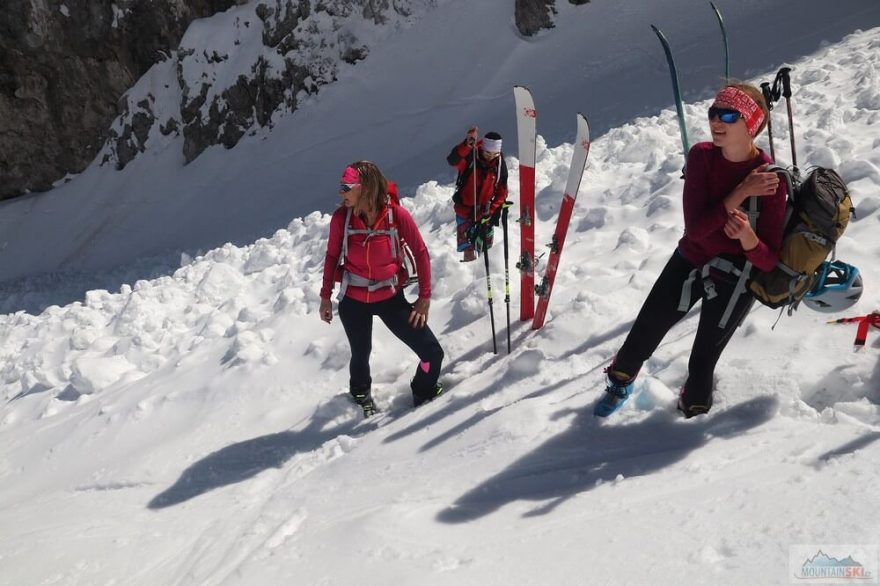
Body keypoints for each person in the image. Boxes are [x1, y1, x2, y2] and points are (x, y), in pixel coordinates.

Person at [595, 82, 787, 418]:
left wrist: (747, 240)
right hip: (691, 258)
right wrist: (740, 192)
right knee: (641, 337)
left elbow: (770, 259)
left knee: (702, 366)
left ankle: (689, 436)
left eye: (729, 114)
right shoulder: (701, 157)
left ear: (752, 125)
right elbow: (696, 230)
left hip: (737, 275)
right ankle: (619, 383)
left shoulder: (772, 179)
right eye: (714, 112)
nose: (717, 121)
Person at [319, 161, 445, 417]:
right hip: (353, 300)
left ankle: (423, 390)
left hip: (390, 298)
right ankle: (359, 395)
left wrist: (424, 297)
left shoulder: (396, 215)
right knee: (360, 354)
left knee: (432, 352)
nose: (341, 193)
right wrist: (325, 297)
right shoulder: (342, 219)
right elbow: (332, 256)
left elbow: (421, 253)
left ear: (363, 188)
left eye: (346, 187)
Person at [447, 128, 509, 262]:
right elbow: (453, 160)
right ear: (483, 148)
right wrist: (466, 145)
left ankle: (485, 273)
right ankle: (468, 273)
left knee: (487, 250)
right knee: (468, 249)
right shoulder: (471, 158)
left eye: (494, 154)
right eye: (488, 153)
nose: (490, 157)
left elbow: (502, 192)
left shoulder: (499, 166)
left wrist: (492, 211)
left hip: (485, 213)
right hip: (464, 210)